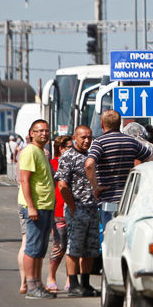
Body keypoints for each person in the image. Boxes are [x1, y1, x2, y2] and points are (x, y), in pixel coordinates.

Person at [86, 109, 153, 235]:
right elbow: (151, 157)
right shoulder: (131, 141)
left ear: (102, 124)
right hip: (128, 199)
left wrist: (95, 187)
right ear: (119, 124)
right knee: (126, 235)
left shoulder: (99, 142)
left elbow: (89, 164)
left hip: (108, 200)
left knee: (110, 236)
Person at [55, 125, 99, 297]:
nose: (87, 140)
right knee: (74, 247)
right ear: (75, 138)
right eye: (83, 137)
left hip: (92, 208)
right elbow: (62, 185)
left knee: (90, 248)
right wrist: (72, 206)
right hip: (77, 208)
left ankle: (85, 283)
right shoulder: (68, 156)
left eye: (89, 137)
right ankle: (73, 283)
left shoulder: (93, 155)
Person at [17, 119, 56, 300]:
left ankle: (38, 283)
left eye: (46, 131)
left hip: (46, 205)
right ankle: (31, 284)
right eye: (39, 131)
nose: (44, 134)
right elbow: (25, 180)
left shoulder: (41, 152)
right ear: (31, 133)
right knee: (32, 247)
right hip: (35, 206)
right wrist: (31, 206)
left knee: (40, 248)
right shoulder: (30, 151)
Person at [47, 134, 72, 292]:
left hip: (73, 209)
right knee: (59, 246)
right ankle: (51, 276)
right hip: (57, 211)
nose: (72, 150)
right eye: (69, 147)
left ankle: (71, 279)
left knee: (73, 247)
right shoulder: (53, 164)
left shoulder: (76, 163)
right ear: (61, 149)